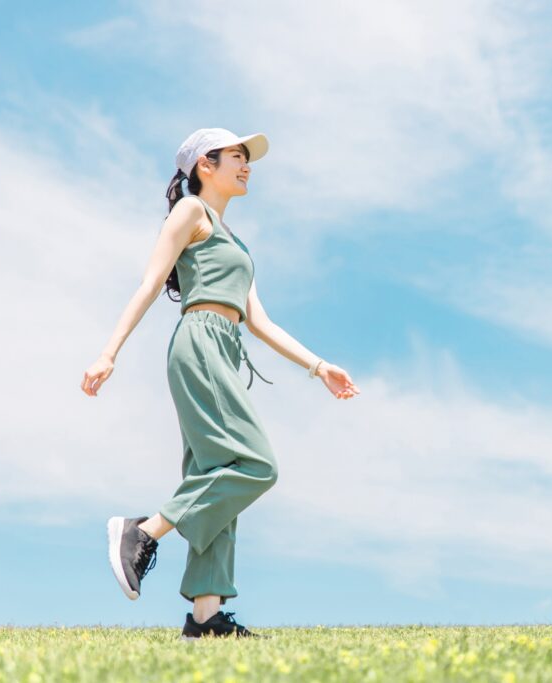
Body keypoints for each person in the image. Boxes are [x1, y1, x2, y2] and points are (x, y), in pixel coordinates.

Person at [80, 127, 361, 640]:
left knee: (219, 475)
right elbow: (149, 283)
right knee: (256, 465)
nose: (247, 164)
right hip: (200, 340)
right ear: (204, 167)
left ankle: (205, 619)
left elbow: (261, 323)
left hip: (227, 348)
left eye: (246, 157)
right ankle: (144, 531)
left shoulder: (238, 243)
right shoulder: (190, 212)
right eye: (237, 155)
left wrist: (321, 367)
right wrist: (108, 353)